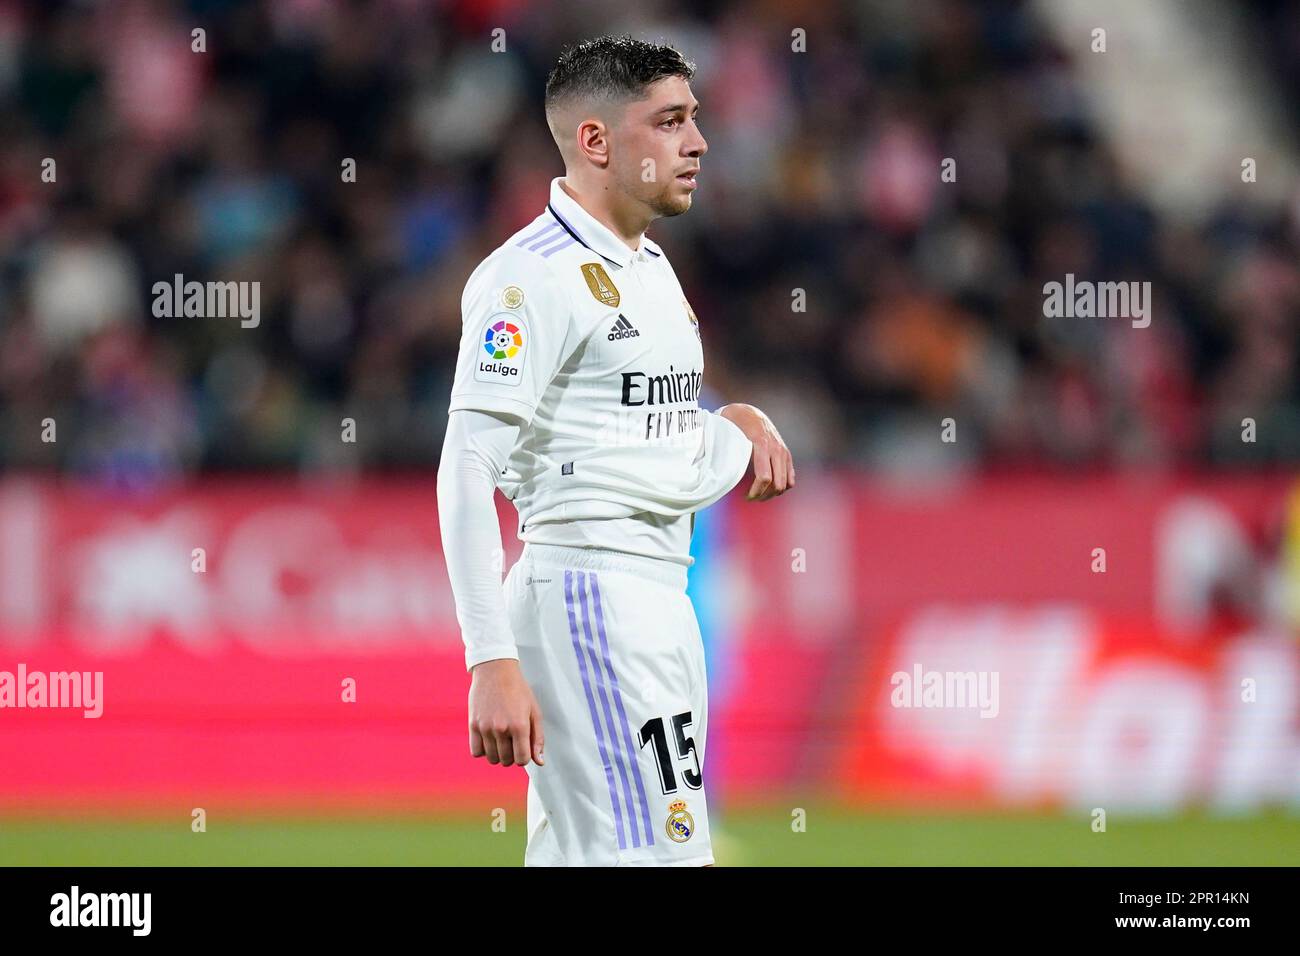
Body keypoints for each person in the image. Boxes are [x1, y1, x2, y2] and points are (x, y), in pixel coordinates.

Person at [437, 34, 794, 866]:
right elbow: (466, 469)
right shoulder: (528, 280)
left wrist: (729, 424)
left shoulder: (651, 269)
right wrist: (488, 658)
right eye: (669, 122)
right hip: (591, 596)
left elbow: (627, 434)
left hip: (653, 596)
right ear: (596, 142)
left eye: (694, 120)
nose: (698, 142)